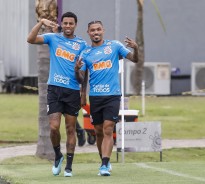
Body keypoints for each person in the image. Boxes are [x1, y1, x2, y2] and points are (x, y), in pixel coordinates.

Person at [27, 12, 87, 177]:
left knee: (70, 129)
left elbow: (82, 77)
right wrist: (41, 22)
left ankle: (68, 166)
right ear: (62, 24)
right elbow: (30, 39)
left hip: (72, 91)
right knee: (53, 127)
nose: (68, 26)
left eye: (71, 23)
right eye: (65, 23)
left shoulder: (82, 44)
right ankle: (57, 155)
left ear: (75, 25)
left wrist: (77, 72)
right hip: (54, 88)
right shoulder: (53, 38)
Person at [75, 20, 138, 176]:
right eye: (92, 30)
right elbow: (81, 79)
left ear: (103, 30)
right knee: (98, 132)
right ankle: (105, 160)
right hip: (95, 97)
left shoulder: (114, 46)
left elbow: (134, 59)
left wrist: (136, 48)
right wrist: (77, 70)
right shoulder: (86, 53)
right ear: (88, 32)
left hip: (113, 95)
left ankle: (103, 165)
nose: (96, 32)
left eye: (98, 29)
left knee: (108, 128)